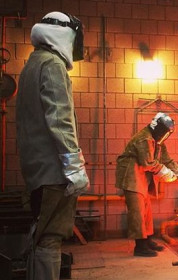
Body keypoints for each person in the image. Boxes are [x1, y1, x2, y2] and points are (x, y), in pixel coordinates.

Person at [16, 11, 89, 280]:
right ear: (63, 34)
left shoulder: (31, 63)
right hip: (53, 173)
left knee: (40, 236)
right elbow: (59, 118)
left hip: (37, 170)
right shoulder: (52, 64)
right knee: (50, 238)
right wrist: (74, 167)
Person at [116, 112, 178, 257]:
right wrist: (166, 174)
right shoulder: (144, 139)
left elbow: (167, 160)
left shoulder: (157, 141)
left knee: (146, 211)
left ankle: (147, 240)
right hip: (131, 175)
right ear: (159, 128)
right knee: (137, 212)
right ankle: (140, 247)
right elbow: (148, 163)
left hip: (141, 176)